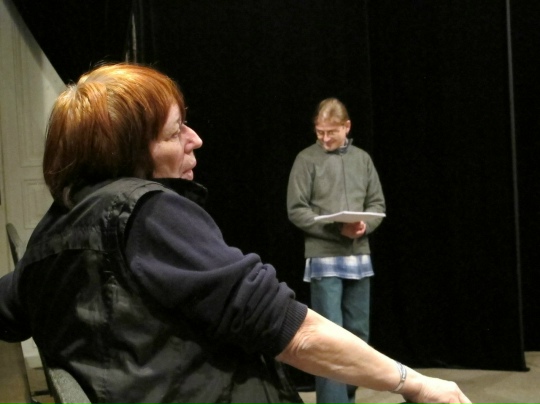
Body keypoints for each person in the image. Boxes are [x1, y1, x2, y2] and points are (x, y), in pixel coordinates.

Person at [0, 63, 471, 404]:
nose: (195, 139)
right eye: (175, 131)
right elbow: (294, 333)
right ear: (128, 154)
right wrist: (414, 382)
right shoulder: (149, 212)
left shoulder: (50, 234)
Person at [287, 97, 385, 404]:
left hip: (358, 256)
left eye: (332, 132)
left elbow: (377, 204)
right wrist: (334, 228)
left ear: (347, 127)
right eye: (320, 132)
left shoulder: (362, 159)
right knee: (330, 338)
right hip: (324, 257)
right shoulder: (306, 159)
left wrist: (364, 227)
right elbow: (296, 209)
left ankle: (347, 398)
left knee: (358, 336)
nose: (325, 138)